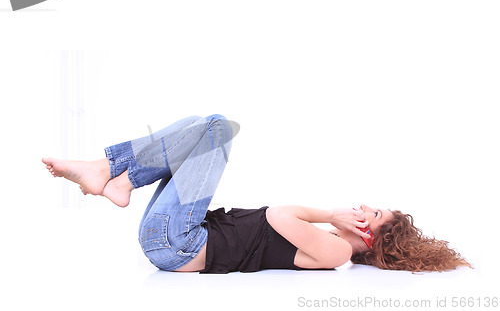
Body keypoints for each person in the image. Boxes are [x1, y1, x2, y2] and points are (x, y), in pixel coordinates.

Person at [42, 114, 471, 273]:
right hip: (179, 237)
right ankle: (114, 175)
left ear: (371, 236)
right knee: (202, 126)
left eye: (370, 212)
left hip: (180, 245)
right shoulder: (330, 244)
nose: (359, 207)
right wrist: (330, 218)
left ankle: (113, 174)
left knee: (217, 129)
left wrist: (329, 215)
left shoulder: (338, 254)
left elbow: (277, 217)